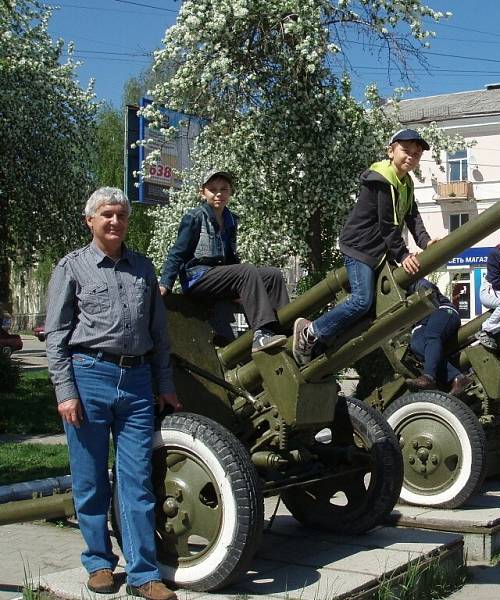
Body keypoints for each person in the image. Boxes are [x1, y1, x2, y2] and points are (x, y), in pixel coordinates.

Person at [45, 188, 181, 600]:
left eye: (121, 215)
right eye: (106, 215)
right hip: (89, 379)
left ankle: (143, 575)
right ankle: (99, 563)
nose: (115, 222)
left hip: (137, 384)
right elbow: (55, 336)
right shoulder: (72, 268)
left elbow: (158, 334)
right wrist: (65, 391)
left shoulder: (143, 268)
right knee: (89, 480)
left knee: (137, 480)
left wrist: (166, 386)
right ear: (90, 220)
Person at [293, 129, 433, 366]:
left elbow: (412, 216)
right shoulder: (382, 179)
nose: (411, 156)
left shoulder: (405, 183)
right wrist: (403, 255)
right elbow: (387, 224)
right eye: (405, 151)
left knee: (376, 308)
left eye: (416, 154)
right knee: (361, 301)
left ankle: (325, 343)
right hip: (360, 247)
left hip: (377, 251)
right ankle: (310, 332)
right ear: (391, 151)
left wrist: (426, 242)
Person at [159, 168, 289, 353]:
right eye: (213, 189)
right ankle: (260, 335)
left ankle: (284, 327)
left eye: (224, 189)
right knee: (246, 270)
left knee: (272, 275)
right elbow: (177, 253)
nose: (219, 194)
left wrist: (240, 287)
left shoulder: (230, 220)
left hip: (219, 279)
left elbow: (230, 258)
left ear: (230, 192)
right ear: (203, 193)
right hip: (198, 278)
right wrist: (165, 284)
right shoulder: (194, 217)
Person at [404, 279, 473, 396]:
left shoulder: (416, 283)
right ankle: (458, 378)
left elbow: (430, 296)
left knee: (432, 335)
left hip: (443, 311)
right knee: (417, 346)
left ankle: (429, 377)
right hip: (421, 323)